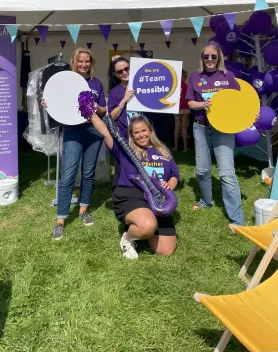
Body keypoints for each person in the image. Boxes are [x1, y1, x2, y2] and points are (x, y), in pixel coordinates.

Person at [89, 112, 179, 259]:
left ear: (150, 131)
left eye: (143, 130)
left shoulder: (163, 150)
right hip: (132, 196)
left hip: (158, 198)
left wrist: (169, 185)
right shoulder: (125, 151)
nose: (141, 135)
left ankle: (144, 229)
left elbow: (175, 175)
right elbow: (105, 132)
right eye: (136, 132)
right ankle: (128, 238)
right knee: (147, 225)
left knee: (166, 250)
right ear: (132, 135)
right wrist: (91, 113)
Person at [44, 47, 107, 240]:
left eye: (87, 61)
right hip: (73, 131)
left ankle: (83, 209)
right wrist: (48, 103)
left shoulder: (96, 83)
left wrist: (98, 107)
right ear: (74, 62)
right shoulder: (66, 82)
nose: (84, 64)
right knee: (68, 175)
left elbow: (104, 110)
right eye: (80, 61)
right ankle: (61, 220)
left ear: (91, 63)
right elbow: (55, 101)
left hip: (94, 132)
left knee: (88, 173)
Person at [186, 40, 244, 227]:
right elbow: (190, 104)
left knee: (226, 173)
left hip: (223, 129)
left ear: (219, 57)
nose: (210, 59)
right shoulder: (195, 77)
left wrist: (250, 113)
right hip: (201, 127)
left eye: (213, 56)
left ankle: (236, 219)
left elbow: (240, 102)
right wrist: (203, 104)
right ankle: (206, 201)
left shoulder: (229, 77)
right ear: (202, 58)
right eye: (206, 56)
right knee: (202, 169)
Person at [107, 56, 136, 186]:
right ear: (116, 74)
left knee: (141, 167)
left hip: (141, 136)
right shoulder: (115, 92)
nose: (124, 72)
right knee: (121, 169)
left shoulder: (142, 85)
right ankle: (119, 198)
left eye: (127, 68)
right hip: (123, 136)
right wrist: (124, 99)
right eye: (120, 71)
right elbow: (111, 117)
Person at [173, 69, 190, 152]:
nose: (186, 78)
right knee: (184, 128)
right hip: (185, 108)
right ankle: (185, 148)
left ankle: (175, 147)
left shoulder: (174, 86)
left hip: (176, 108)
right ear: (183, 77)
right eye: (185, 76)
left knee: (177, 128)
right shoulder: (186, 86)